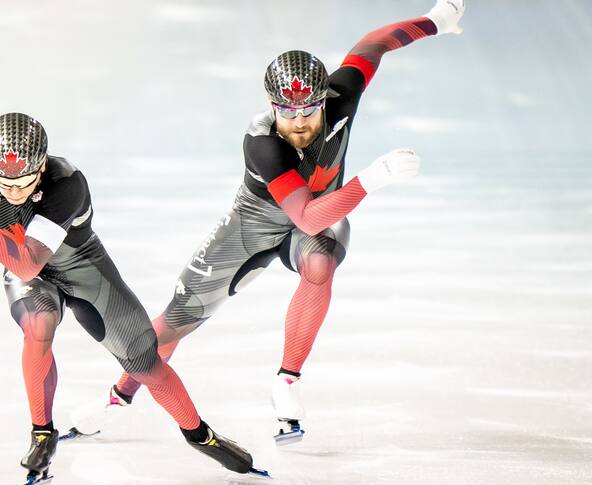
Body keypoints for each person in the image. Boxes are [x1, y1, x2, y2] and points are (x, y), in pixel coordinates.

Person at [71, 0, 466, 444]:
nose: (298, 122)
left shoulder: (343, 94)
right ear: (271, 104)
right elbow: (306, 215)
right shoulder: (263, 143)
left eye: (308, 111)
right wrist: (370, 180)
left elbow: (372, 45)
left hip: (315, 221)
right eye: (287, 112)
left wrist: (435, 21)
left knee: (320, 265)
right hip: (259, 222)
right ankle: (119, 397)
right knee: (177, 318)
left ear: (325, 98)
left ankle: (287, 380)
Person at [0, 43, 263, 485]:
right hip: (24, 262)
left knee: (144, 363)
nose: (15, 192)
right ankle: (42, 433)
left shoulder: (65, 184)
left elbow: (26, 262)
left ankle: (200, 435)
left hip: (75, 261)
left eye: (25, 182)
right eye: (6, 183)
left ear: (41, 167)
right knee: (39, 322)